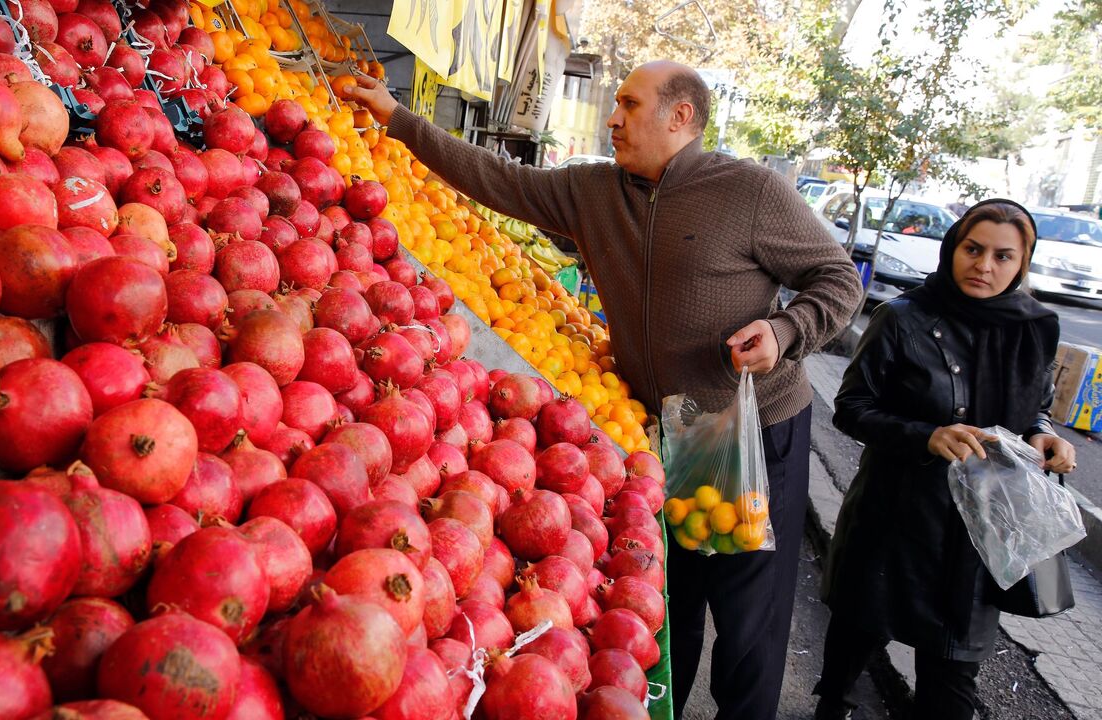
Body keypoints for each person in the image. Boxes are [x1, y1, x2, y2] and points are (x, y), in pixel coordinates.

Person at [348, 62, 864, 719]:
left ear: (681, 117)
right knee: (671, 600)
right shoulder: (597, 190)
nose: (611, 118)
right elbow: (501, 181)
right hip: (658, 431)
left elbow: (838, 277)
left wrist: (786, 329)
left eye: (629, 103)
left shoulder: (749, 192)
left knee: (745, 619)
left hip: (740, 429)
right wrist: (401, 121)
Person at [814, 200, 1077, 720]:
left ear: (1022, 263)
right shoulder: (903, 319)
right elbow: (851, 408)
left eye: (1003, 256)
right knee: (854, 643)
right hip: (896, 519)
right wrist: (927, 436)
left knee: (951, 682)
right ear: (952, 247)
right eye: (973, 249)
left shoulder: (1033, 327)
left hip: (980, 535)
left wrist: (1045, 437)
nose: (984, 266)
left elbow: (1036, 407)